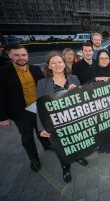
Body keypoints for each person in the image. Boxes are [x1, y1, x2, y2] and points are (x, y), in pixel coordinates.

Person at [0, 45, 51, 172]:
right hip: (20, 113)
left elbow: (43, 87)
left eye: (23, 55)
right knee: (27, 137)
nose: (21, 58)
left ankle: (47, 145)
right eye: (16, 55)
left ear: (27, 56)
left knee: (42, 129)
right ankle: (34, 159)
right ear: (10, 56)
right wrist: (3, 118)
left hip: (38, 109)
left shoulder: (35, 69)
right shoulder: (0, 73)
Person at [36, 53, 88, 182]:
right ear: (48, 66)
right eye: (53, 62)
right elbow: (39, 106)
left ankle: (77, 156)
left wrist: (77, 90)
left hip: (74, 119)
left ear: (64, 64)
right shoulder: (42, 83)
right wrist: (41, 127)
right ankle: (65, 166)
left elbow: (83, 98)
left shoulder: (74, 78)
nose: (57, 65)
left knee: (76, 141)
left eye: (59, 62)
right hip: (55, 123)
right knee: (61, 146)